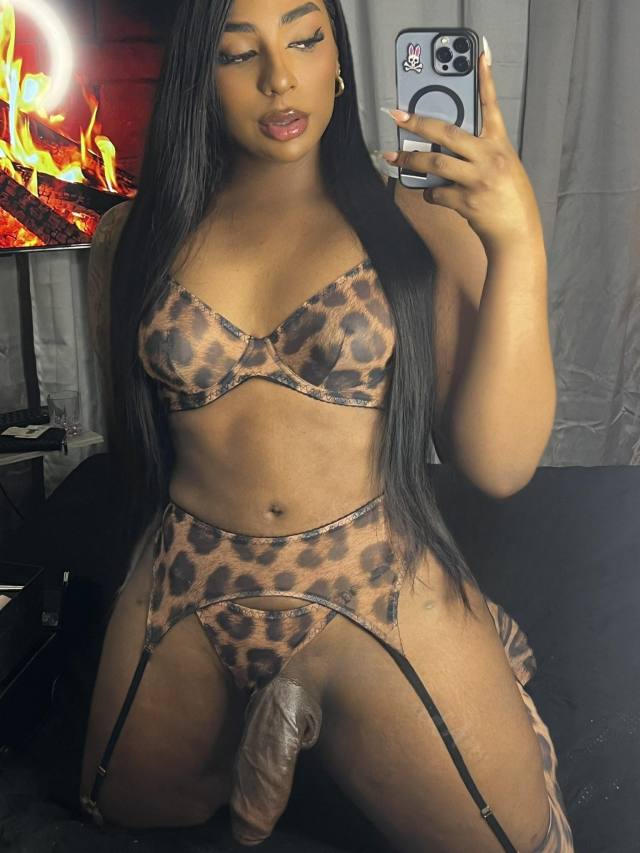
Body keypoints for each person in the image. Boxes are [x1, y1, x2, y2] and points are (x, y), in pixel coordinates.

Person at [79, 1, 574, 850]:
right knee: (119, 807)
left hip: (369, 581)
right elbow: (134, 440)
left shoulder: (419, 219)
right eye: (239, 54)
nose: (281, 79)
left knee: (520, 842)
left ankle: (311, 700)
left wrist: (518, 240)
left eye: (305, 40)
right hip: (190, 577)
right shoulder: (134, 235)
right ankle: (278, 712)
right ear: (199, 76)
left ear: (338, 56)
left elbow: (497, 464)